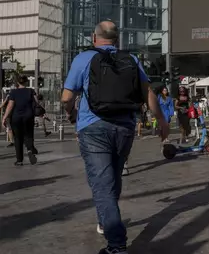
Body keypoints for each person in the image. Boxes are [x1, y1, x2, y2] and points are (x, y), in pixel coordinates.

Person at [61, 21, 169, 254]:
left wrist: (71, 112)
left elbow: (66, 97)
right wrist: (161, 120)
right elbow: (148, 92)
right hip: (124, 128)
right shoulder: (131, 59)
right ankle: (105, 222)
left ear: (94, 37)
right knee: (113, 178)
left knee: (101, 184)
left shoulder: (84, 58)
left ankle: (117, 244)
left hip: (93, 127)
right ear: (117, 40)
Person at [2, 75, 39, 166]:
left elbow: (10, 106)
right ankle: (30, 149)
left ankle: (19, 160)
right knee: (29, 135)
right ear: (26, 82)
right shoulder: (31, 91)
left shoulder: (13, 92)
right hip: (29, 117)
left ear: (17, 82)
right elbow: (37, 103)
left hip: (16, 118)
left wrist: (4, 117)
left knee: (18, 138)